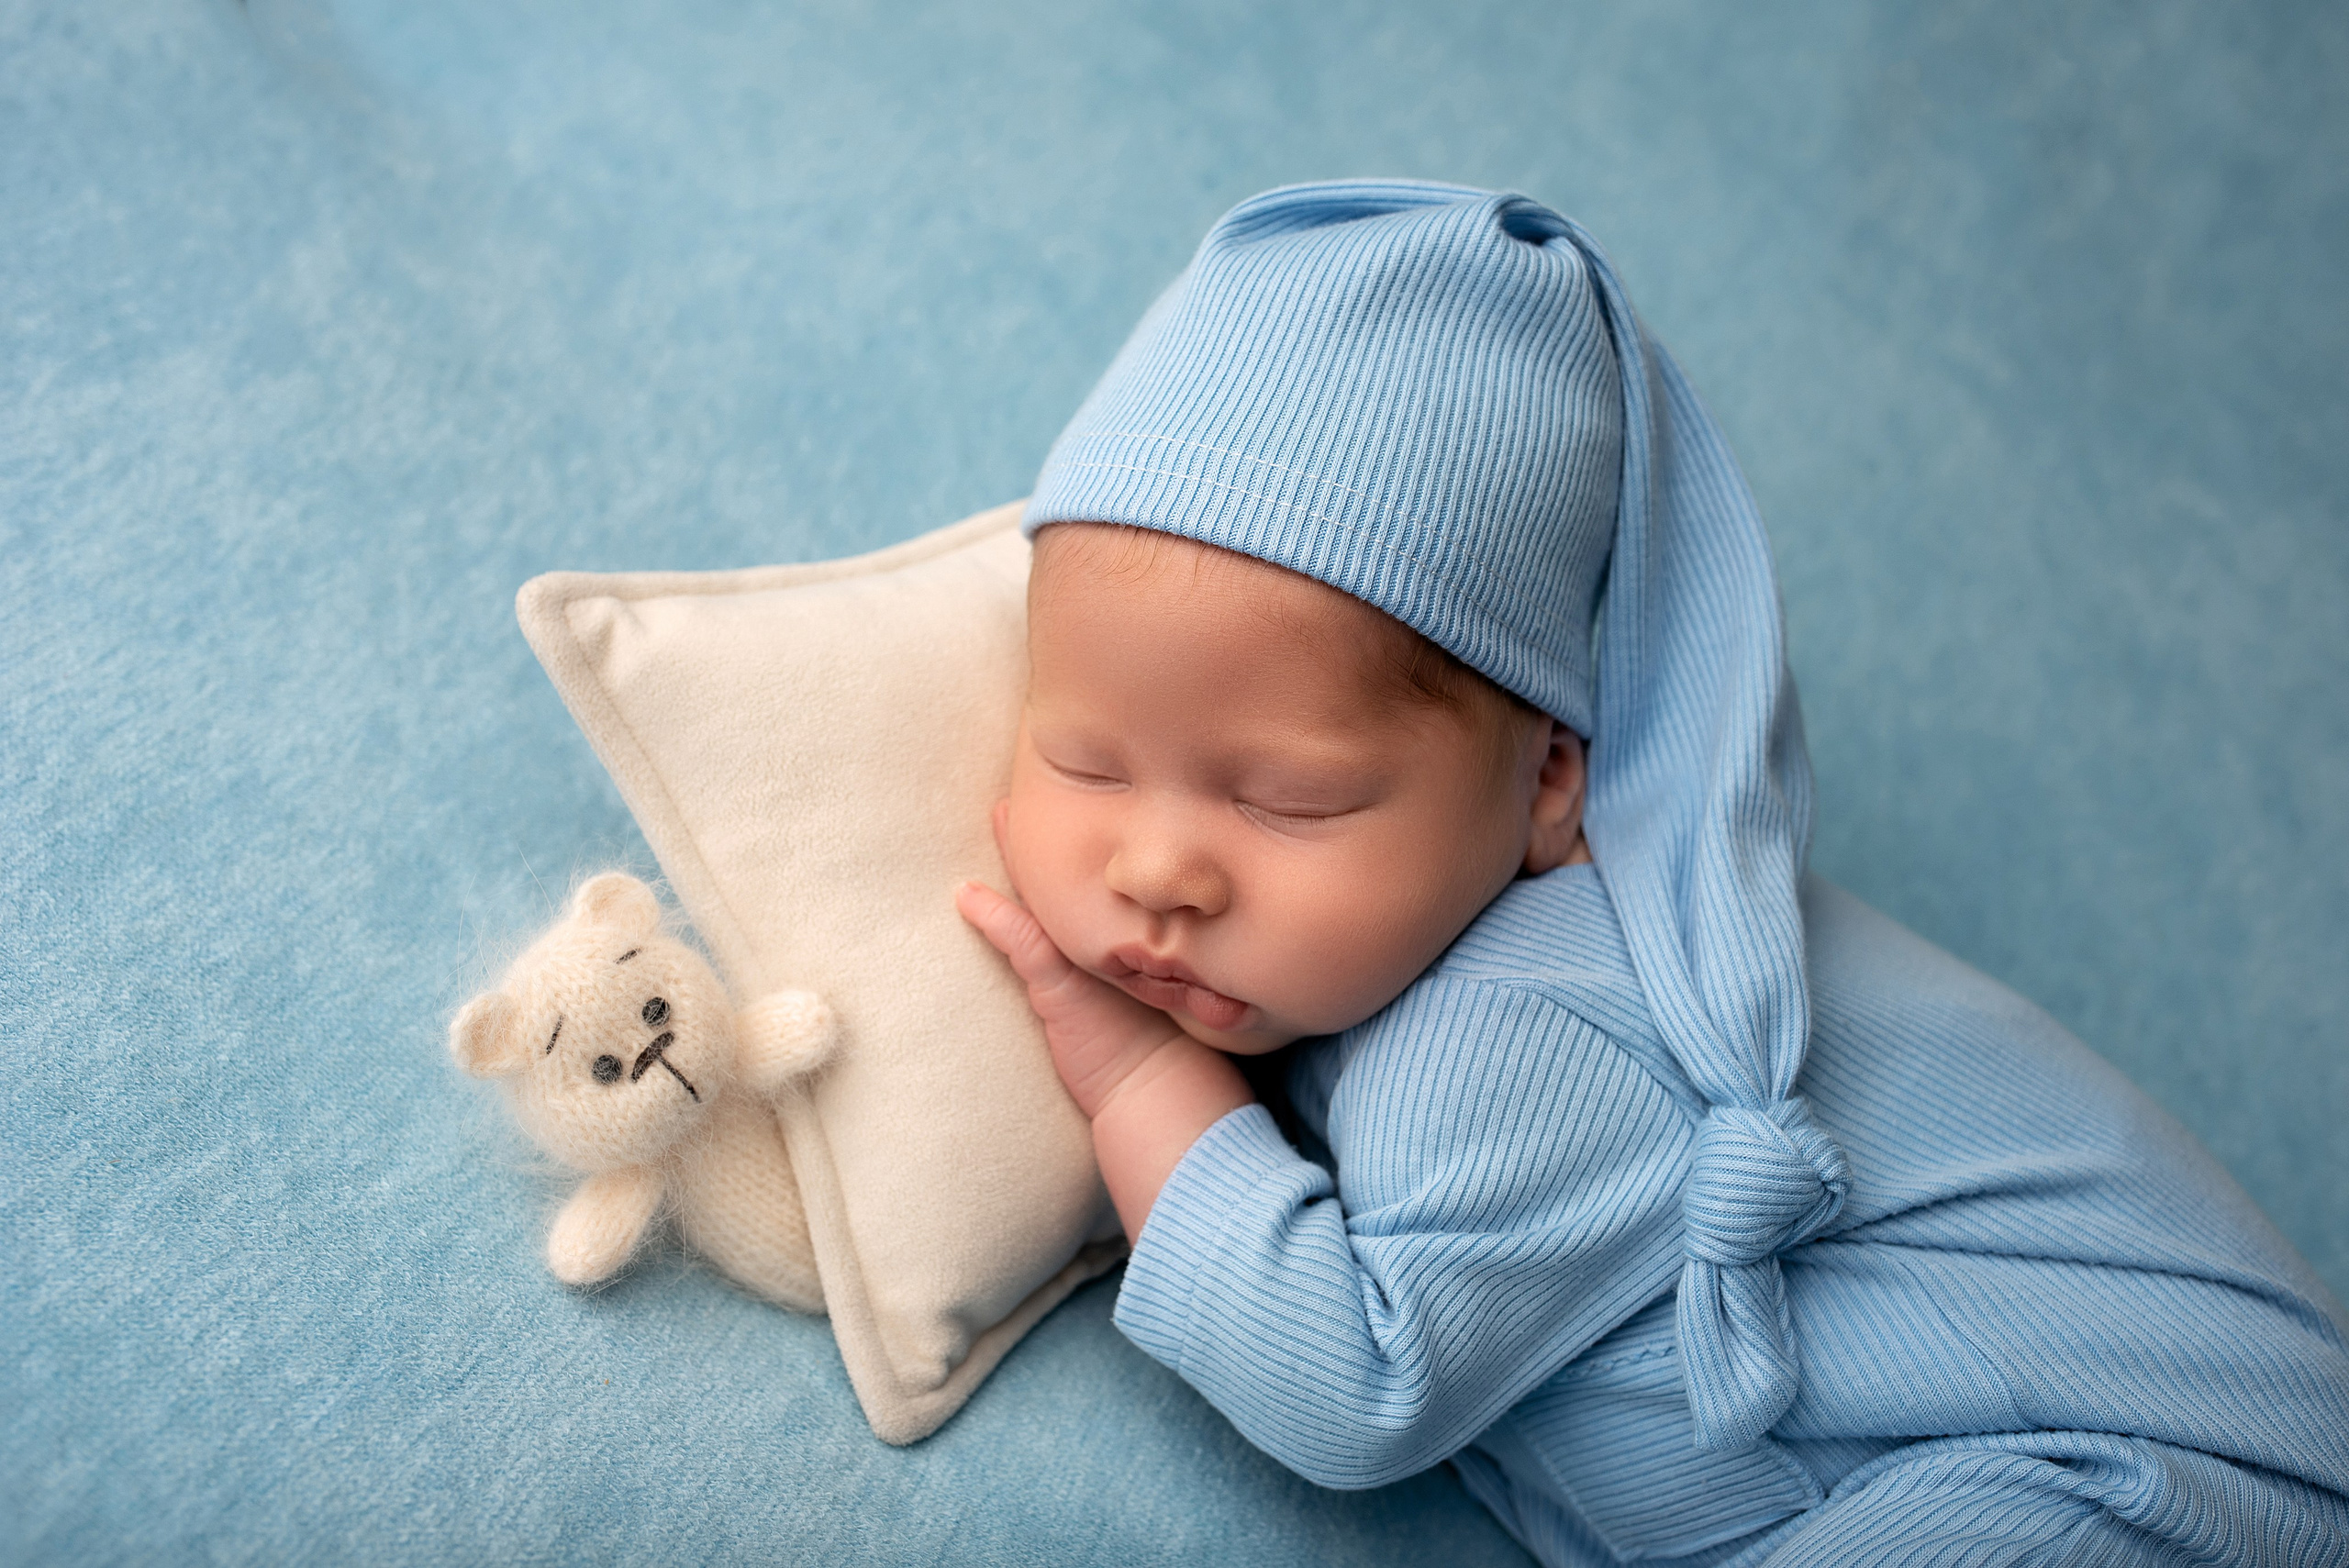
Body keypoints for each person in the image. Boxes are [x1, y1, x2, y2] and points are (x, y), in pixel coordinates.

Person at [953, 180, 2349, 1566]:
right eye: (1086, 761)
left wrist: (1141, 1079)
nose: (1158, 868)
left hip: (2153, 1479)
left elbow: (1348, 1385)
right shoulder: (1363, 971)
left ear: (1548, 787)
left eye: (1290, 798)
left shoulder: (1536, 1003)